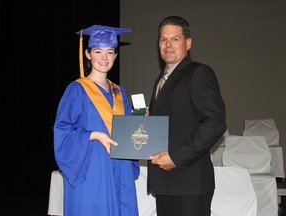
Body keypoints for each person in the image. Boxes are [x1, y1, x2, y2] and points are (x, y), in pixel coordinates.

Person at [53, 24, 139, 216]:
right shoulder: (77, 90)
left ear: (115, 56)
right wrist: (94, 135)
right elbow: (63, 131)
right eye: (98, 51)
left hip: (120, 168)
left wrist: (140, 121)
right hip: (91, 169)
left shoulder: (119, 92)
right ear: (88, 54)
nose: (104, 58)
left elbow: (127, 131)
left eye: (110, 52)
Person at [147, 16, 227, 216]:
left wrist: (176, 158)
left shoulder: (199, 73)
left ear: (188, 43)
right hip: (165, 184)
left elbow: (214, 123)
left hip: (190, 184)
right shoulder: (161, 79)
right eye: (163, 39)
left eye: (175, 39)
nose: (168, 45)